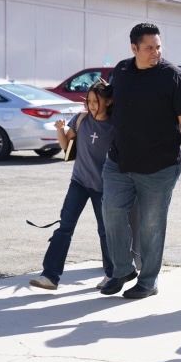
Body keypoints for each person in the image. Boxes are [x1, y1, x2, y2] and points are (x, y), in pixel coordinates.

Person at [100, 22, 181, 299]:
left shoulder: (173, 77)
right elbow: (111, 107)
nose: (155, 52)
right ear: (134, 48)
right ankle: (122, 270)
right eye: (149, 48)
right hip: (119, 161)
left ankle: (147, 281)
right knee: (111, 211)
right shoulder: (121, 71)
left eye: (158, 47)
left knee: (151, 226)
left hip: (160, 166)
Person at [29, 80, 115, 290]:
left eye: (96, 101)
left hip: (103, 187)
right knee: (65, 227)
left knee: (106, 231)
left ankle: (112, 275)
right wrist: (60, 130)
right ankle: (50, 276)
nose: (92, 105)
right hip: (79, 182)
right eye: (89, 101)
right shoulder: (81, 119)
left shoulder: (115, 126)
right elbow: (67, 147)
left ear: (109, 101)